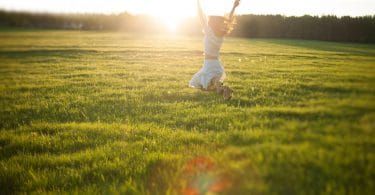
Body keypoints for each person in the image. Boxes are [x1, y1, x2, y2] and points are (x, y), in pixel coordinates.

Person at [189, 0, 240, 100]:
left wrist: (197, 2)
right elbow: (228, 20)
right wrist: (234, 7)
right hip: (216, 66)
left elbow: (201, 15)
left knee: (205, 86)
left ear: (211, 23)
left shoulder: (209, 32)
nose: (207, 22)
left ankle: (224, 90)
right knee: (213, 86)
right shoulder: (220, 35)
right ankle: (225, 90)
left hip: (209, 65)